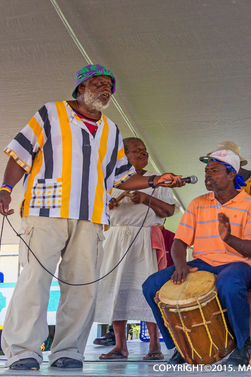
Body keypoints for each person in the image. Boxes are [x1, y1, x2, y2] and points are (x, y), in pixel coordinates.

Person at [0, 64, 183, 371]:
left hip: (91, 216)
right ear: (80, 88)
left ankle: (68, 350)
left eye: (109, 85)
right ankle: (23, 350)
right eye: (98, 83)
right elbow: (20, 154)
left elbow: (121, 178)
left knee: (82, 286)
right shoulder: (50, 113)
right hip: (46, 210)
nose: (105, 88)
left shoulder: (110, 129)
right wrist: (5, 189)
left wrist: (155, 181)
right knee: (34, 280)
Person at [142, 149, 251, 366]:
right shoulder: (198, 203)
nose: (208, 174)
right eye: (207, 170)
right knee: (151, 285)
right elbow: (180, 241)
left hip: (240, 264)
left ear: (231, 174)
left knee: (229, 283)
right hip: (202, 263)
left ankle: (243, 344)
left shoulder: (250, 205)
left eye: (215, 170)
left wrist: (229, 238)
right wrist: (180, 264)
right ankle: (180, 345)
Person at [95, 137, 177, 361]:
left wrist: (146, 199)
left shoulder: (158, 181)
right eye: (136, 150)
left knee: (148, 290)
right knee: (116, 289)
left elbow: (169, 212)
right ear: (123, 155)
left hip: (144, 239)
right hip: (116, 239)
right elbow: (96, 212)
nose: (143, 153)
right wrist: (107, 207)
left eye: (144, 150)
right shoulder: (109, 181)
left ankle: (154, 346)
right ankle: (120, 346)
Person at [204, 140, 251, 355]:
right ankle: (222, 336)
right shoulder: (213, 179)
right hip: (218, 244)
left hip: (245, 239)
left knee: (247, 277)